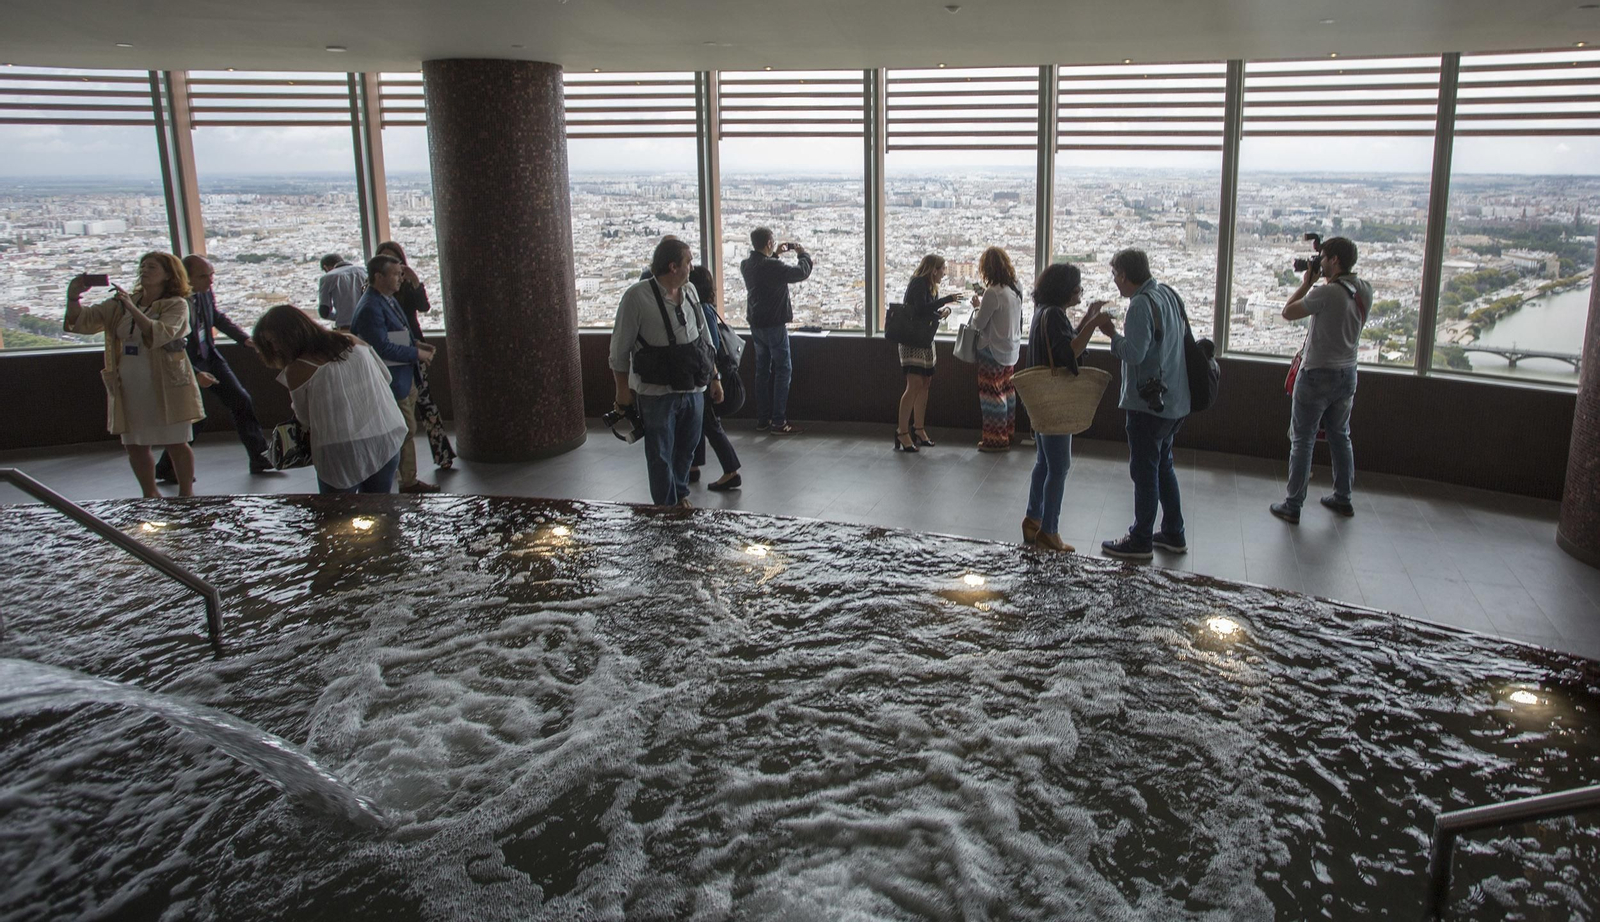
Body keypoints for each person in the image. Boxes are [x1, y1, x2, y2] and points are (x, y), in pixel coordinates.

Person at [63, 252, 205, 498]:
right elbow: (83, 322)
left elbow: (160, 333)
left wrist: (131, 307)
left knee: (175, 441)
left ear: (168, 274)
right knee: (134, 444)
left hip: (166, 382)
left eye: (152, 267)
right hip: (130, 383)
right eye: (143, 266)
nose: (145, 270)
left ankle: (186, 493)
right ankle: (149, 493)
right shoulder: (120, 304)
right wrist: (74, 296)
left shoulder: (176, 304)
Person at [1092, 248, 1191, 561]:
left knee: (1144, 470)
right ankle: (1174, 531)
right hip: (1176, 397)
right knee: (1163, 465)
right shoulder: (1168, 295)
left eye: (1115, 276)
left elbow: (1133, 353)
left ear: (1123, 275)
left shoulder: (1139, 306)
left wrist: (1111, 334)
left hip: (1148, 404)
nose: (1115, 283)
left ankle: (1141, 538)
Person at [610, 237, 723, 507]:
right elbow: (619, 349)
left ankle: (680, 492)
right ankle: (666, 504)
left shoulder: (691, 291)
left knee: (687, 447)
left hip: (693, 386)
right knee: (659, 452)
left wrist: (714, 376)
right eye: (688, 262)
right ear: (673, 266)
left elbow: (703, 338)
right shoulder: (637, 297)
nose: (692, 268)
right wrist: (622, 392)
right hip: (657, 391)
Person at [252, 304, 408, 494]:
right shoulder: (350, 340)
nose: (275, 347)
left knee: (337, 515)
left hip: (340, 450)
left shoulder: (298, 368)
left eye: (274, 341)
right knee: (381, 508)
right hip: (385, 434)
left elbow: (305, 418)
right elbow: (386, 377)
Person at [1271, 236, 1373, 524]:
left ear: (1335, 260)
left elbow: (1288, 312)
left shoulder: (1325, 294)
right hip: (1348, 373)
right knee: (1341, 436)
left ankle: (1293, 504)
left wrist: (1306, 283)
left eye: (1324, 257)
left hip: (1317, 374)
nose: (1321, 262)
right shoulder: (1364, 289)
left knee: (1302, 440)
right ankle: (1343, 497)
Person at [153, 255, 272, 481]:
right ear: (186, 278)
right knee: (196, 417)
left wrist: (243, 339)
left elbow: (215, 317)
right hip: (187, 362)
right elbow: (168, 344)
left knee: (240, 400)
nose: (210, 281)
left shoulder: (204, 293)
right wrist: (196, 373)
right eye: (204, 276)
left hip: (210, 356)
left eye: (211, 275)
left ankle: (259, 457)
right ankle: (168, 466)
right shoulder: (171, 303)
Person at [1020, 263, 1103, 552]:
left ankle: (1033, 518)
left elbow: (1061, 343)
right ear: (1066, 290)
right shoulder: (1054, 314)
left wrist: (1085, 320)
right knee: (1060, 466)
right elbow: (1069, 353)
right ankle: (1049, 530)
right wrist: (1093, 325)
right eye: (1078, 287)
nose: (1080, 292)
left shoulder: (1043, 310)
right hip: (1056, 400)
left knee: (1043, 462)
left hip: (1041, 398)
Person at [351, 253, 440, 494]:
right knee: (404, 429)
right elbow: (380, 347)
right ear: (378, 277)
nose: (400, 278)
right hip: (391, 379)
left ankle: (407, 478)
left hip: (402, 376)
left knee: (406, 429)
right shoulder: (371, 306)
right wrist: (416, 354)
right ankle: (404, 480)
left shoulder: (385, 300)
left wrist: (417, 347)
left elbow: (397, 334)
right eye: (395, 274)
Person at [374, 241, 456, 471]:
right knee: (401, 404)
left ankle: (441, 452)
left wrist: (415, 281)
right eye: (386, 260)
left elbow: (423, 307)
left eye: (395, 260)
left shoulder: (404, 285)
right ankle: (396, 463)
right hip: (395, 350)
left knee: (425, 401)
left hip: (410, 348)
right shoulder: (375, 294)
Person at [740, 227, 811, 435]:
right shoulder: (772, 266)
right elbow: (801, 272)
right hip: (774, 324)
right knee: (783, 369)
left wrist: (776, 254)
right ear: (769, 243)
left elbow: (764, 270)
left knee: (762, 371)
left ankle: (763, 419)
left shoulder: (746, 265)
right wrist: (802, 254)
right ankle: (779, 422)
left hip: (756, 324)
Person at [895, 254, 962, 452]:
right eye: (942, 269)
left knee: (925, 383)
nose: (944, 274)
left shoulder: (929, 285)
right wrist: (946, 300)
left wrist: (941, 313)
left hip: (923, 340)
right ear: (933, 269)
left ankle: (918, 428)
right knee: (914, 383)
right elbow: (920, 309)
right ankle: (902, 431)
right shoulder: (918, 283)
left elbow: (924, 311)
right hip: (913, 341)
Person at [688, 265, 743, 492]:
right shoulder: (706, 308)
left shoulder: (701, 310)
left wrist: (713, 378)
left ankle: (731, 470)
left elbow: (711, 346)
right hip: (708, 375)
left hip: (709, 375)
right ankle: (693, 466)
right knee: (701, 421)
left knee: (709, 423)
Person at [970, 246, 1025, 452]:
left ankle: (995, 439)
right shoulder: (1016, 287)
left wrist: (977, 305)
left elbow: (979, 323)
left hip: (992, 350)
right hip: (1011, 350)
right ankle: (1008, 432)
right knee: (1007, 391)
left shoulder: (993, 293)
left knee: (992, 394)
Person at [317, 254, 367, 330]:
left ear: (325, 267)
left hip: (346, 326)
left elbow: (324, 312)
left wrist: (341, 316)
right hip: (369, 323)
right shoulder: (364, 271)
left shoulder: (327, 278)